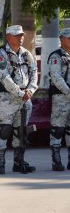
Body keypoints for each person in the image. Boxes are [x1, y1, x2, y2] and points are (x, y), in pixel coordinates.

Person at [0, 25, 38, 174]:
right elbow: (3, 76)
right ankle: (0, 163)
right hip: (7, 97)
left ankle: (19, 162)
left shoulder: (26, 54)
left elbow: (34, 73)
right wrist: (19, 93)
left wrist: (31, 90)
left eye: (22, 35)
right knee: (3, 130)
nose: (21, 38)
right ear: (8, 37)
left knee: (21, 131)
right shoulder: (1, 53)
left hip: (25, 98)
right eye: (17, 35)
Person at [47, 28, 70, 171]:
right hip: (61, 97)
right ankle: (56, 160)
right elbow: (56, 78)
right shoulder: (56, 56)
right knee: (58, 129)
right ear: (61, 39)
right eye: (68, 38)